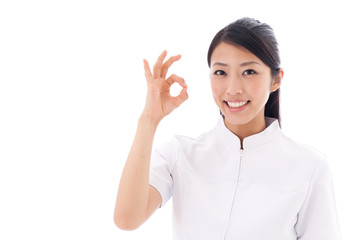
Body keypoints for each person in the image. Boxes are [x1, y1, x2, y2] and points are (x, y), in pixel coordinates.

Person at [114, 17, 342, 240]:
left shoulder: (309, 168)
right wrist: (149, 120)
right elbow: (126, 219)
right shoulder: (180, 154)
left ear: (276, 80)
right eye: (221, 72)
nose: (233, 89)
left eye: (249, 72)